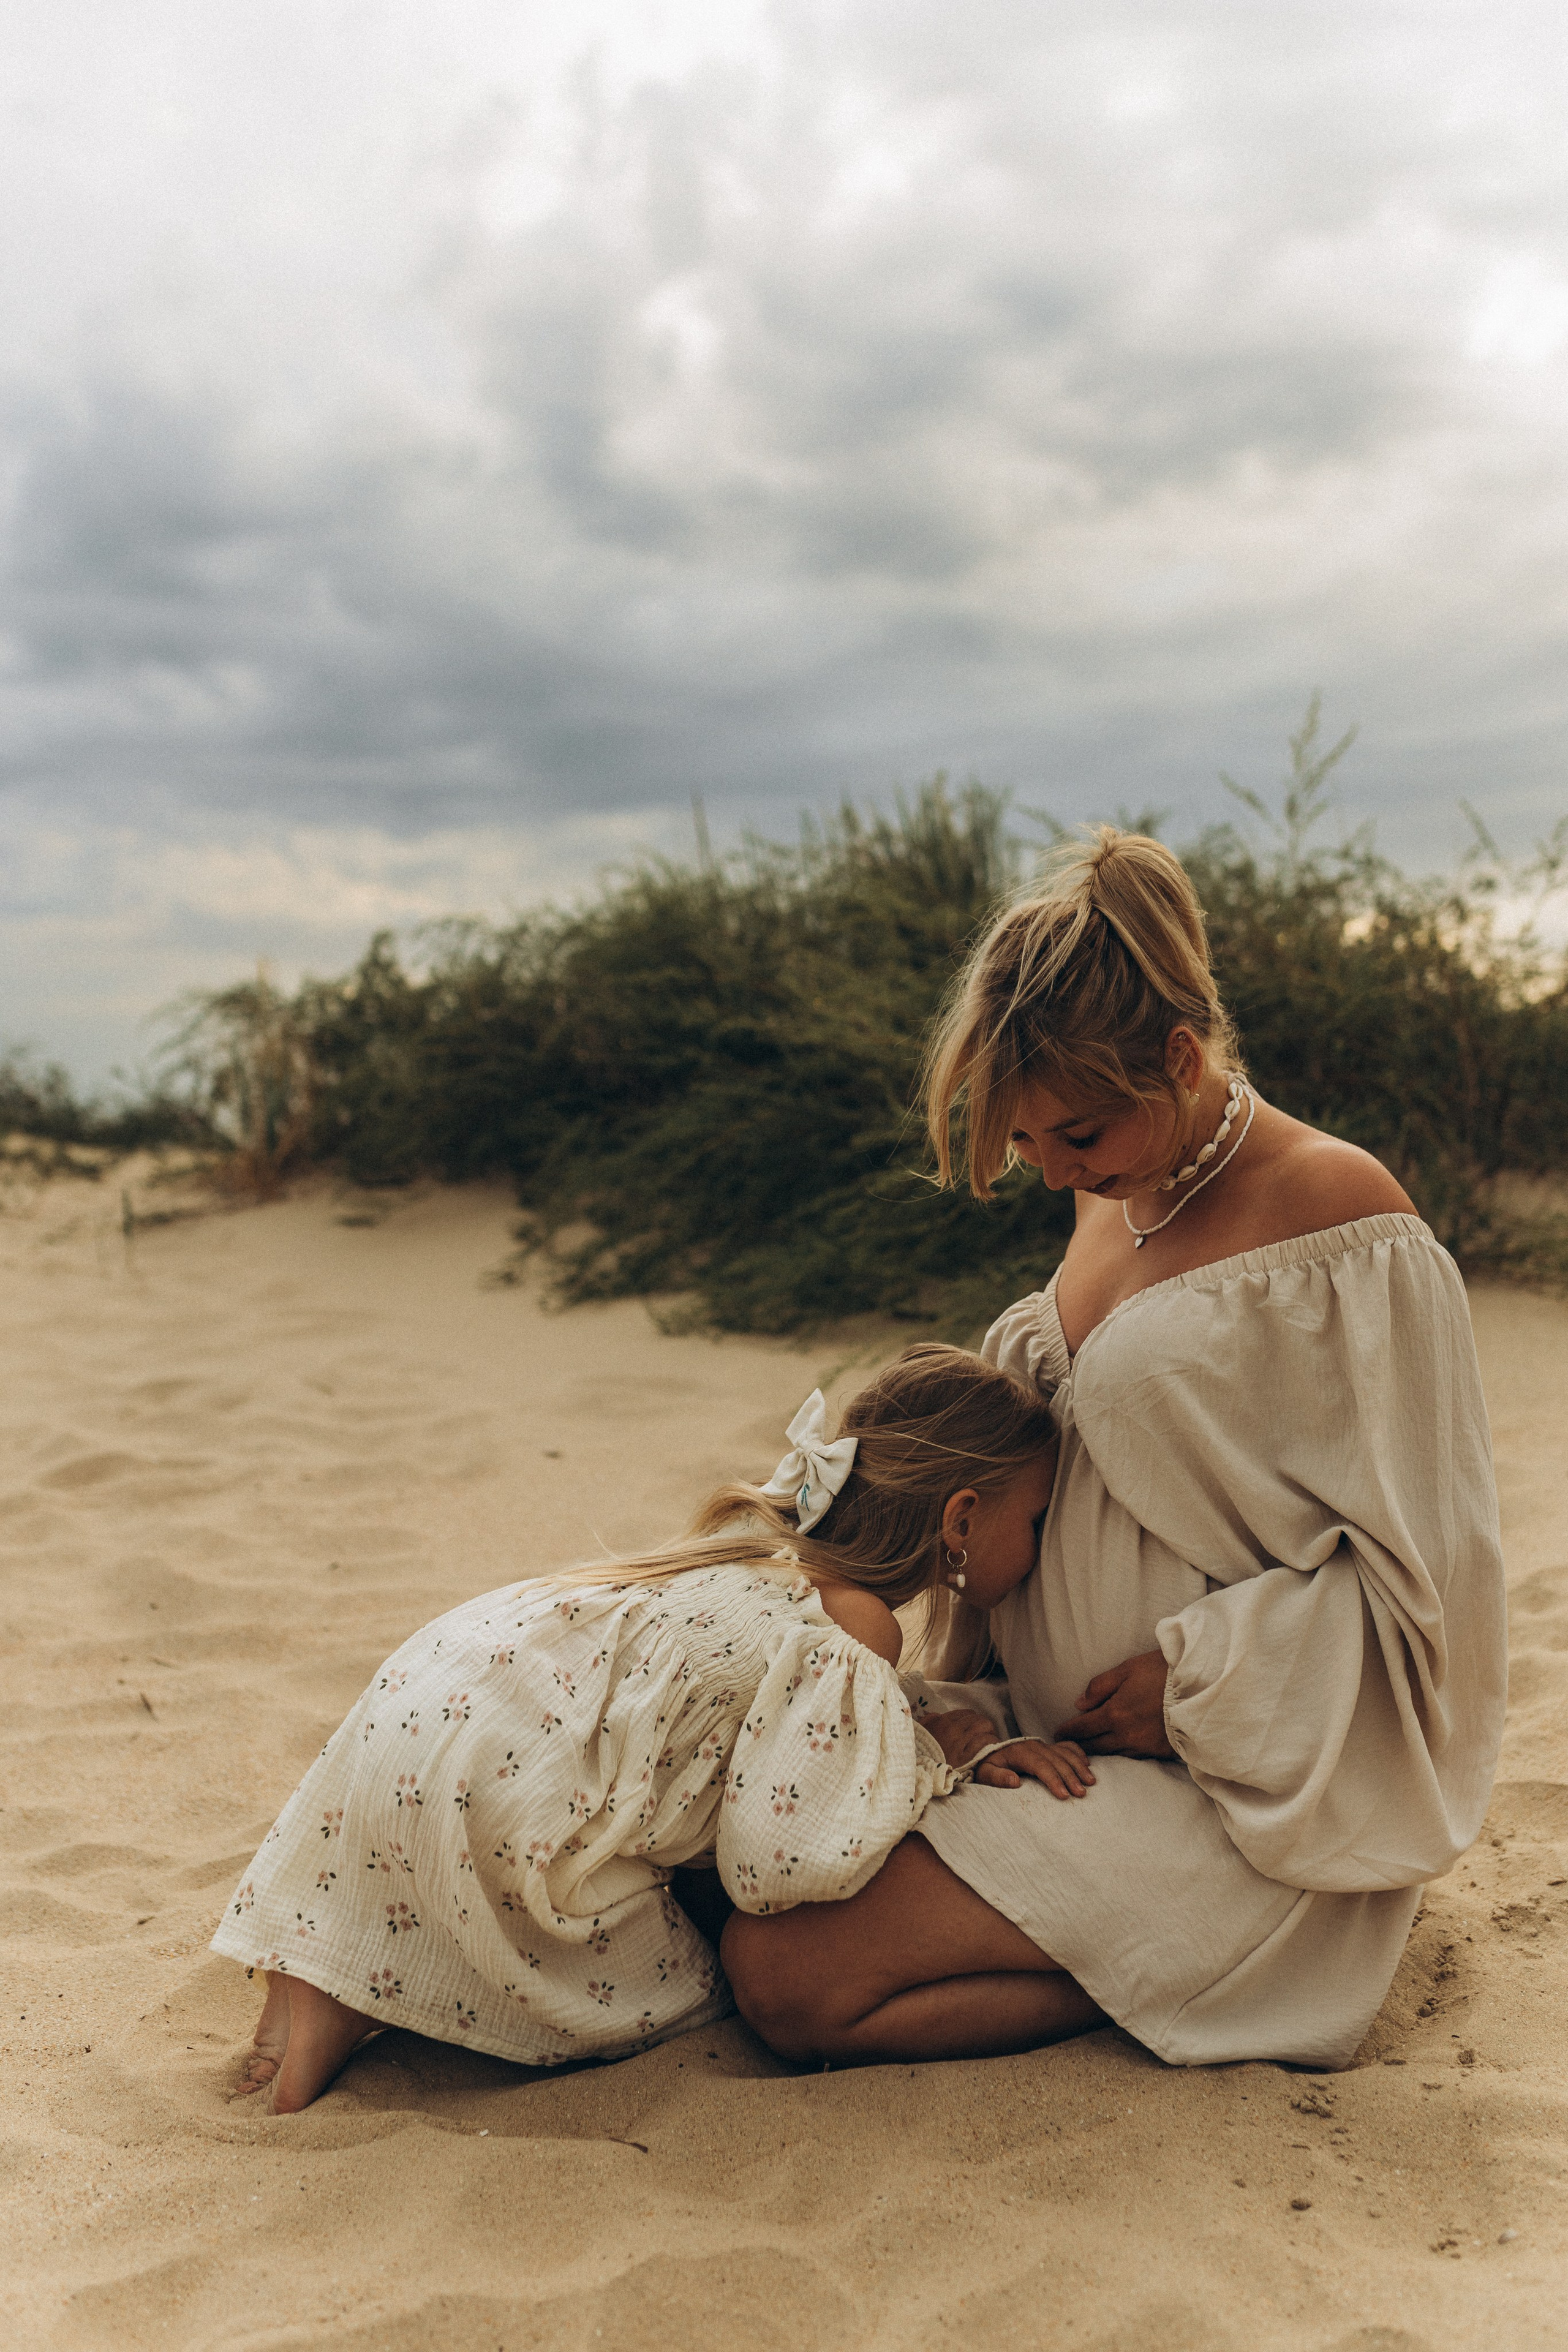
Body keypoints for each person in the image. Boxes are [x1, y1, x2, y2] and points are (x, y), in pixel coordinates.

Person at [722, 828, 1508, 2073]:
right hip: (1037, 1748)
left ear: (1181, 1061)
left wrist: (1202, 1683)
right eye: (1026, 1142)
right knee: (734, 1876)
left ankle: (1223, 1965)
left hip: (1233, 1787)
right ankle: (1140, 1952)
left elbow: (1437, 1590)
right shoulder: (1109, 1189)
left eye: (1074, 1136)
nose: (1052, 1174)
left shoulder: (1342, 1219)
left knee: (789, 1981)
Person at [214, 1345, 1091, 2113]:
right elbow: (782, 1860)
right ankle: (361, 1999)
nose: (1046, 1541)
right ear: (963, 1519)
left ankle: (321, 1986)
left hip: (435, 1693)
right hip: (502, 1797)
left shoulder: (756, 1546)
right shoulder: (856, 1627)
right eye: (1040, 1521)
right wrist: (941, 1762)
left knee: (444, 1835)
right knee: (690, 1986)